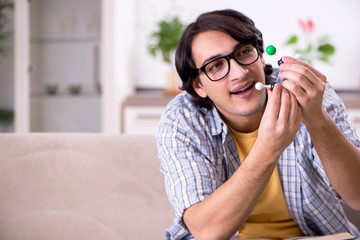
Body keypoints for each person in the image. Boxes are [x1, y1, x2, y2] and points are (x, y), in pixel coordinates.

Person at [156, 9, 360, 240]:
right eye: (215, 66)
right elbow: (206, 232)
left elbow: (357, 196)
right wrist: (267, 148)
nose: (239, 72)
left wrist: (317, 119)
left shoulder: (309, 94)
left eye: (244, 52)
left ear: (262, 57)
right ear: (198, 85)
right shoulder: (182, 119)